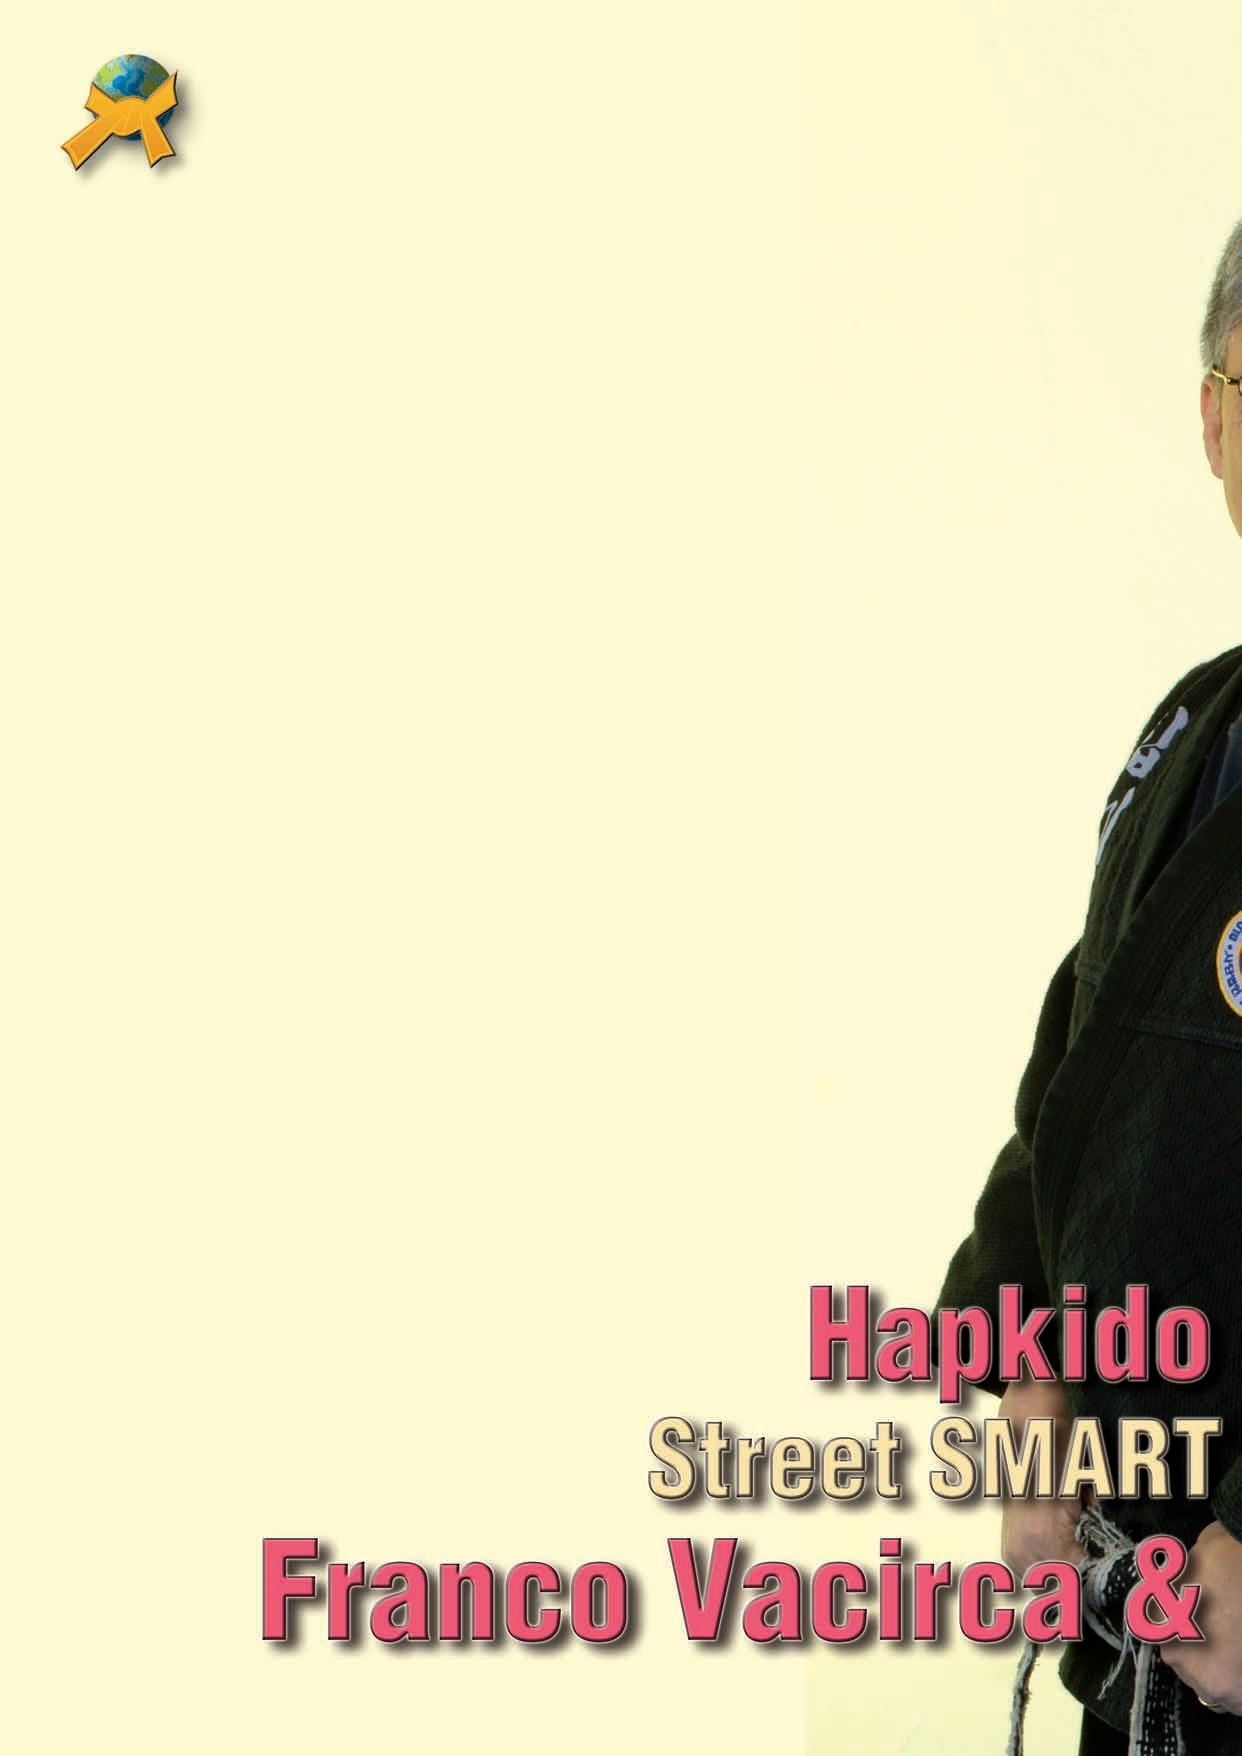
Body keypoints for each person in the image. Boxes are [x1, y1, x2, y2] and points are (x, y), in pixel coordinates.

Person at [934, 218, 1242, 1753]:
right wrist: (1029, 1372)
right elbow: (1076, 1075)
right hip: (1151, 1631)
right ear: (1213, 419)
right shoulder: (1191, 730)